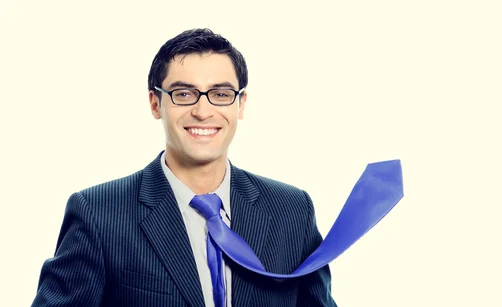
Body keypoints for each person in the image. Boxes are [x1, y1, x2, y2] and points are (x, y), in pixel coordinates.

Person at [31, 28, 337, 307]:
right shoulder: (99, 213)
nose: (203, 112)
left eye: (220, 94)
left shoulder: (293, 210)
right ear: (155, 103)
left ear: (240, 104)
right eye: (184, 94)